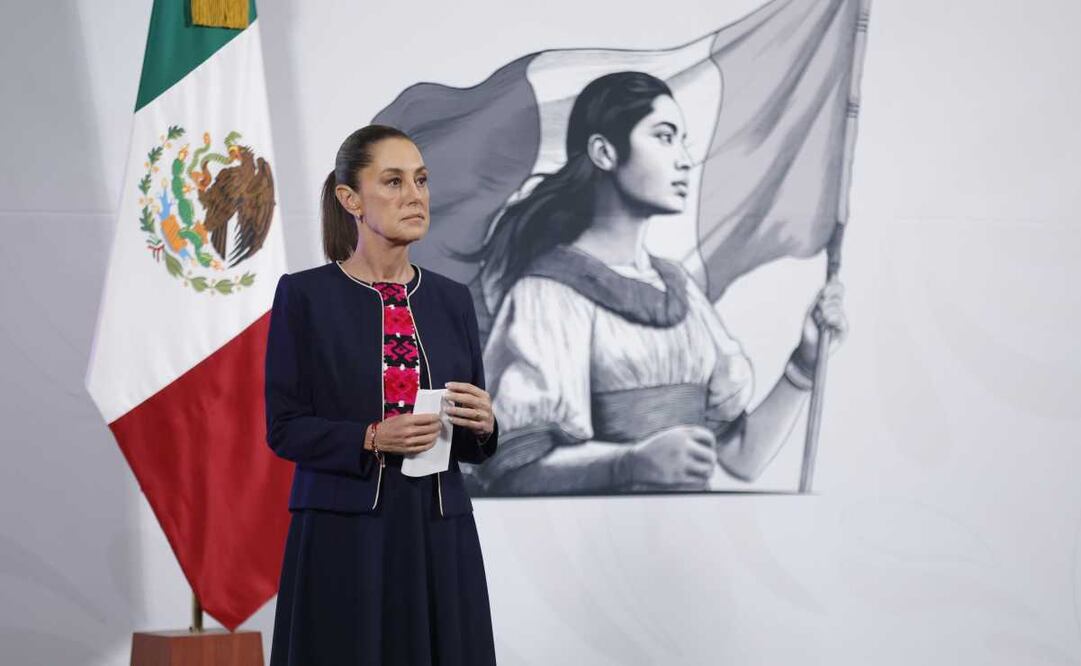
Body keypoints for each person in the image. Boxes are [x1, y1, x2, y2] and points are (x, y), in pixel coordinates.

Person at [471, 71, 846, 495]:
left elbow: (742, 458)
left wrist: (805, 363)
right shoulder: (547, 294)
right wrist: (629, 463)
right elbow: (516, 470)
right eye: (664, 137)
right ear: (604, 152)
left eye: (683, 141)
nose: (684, 159)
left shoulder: (679, 288)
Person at [266, 125, 499, 665]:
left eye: (421, 180)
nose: (414, 195)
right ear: (350, 199)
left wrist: (485, 426)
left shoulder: (452, 299)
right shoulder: (305, 297)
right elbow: (284, 427)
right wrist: (371, 437)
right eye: (393, 182)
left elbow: (469, 439)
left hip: (439, 529)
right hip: (345, 531)